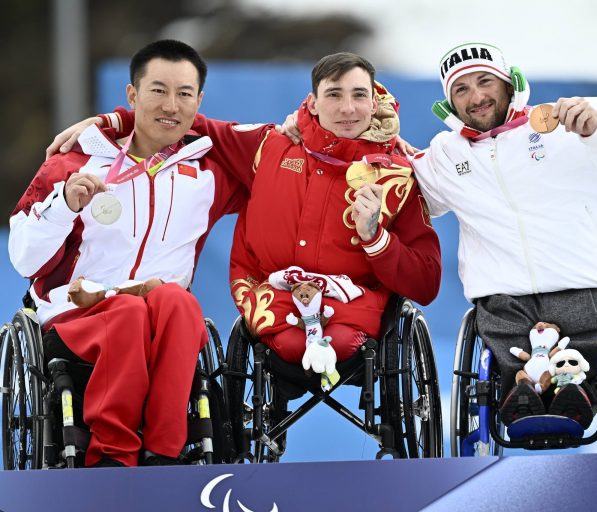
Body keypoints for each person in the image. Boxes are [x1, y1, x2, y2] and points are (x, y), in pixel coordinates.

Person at [54, 53, 441, 391]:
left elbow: (425, 282)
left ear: (374, 103)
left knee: (334, 340)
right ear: (312, 102)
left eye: (358, 96)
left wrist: (376, 239)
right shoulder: (268, 145)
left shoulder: (398, 174)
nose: (347, 108)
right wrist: (114, 120)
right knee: (288, 344)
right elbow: (186, 121)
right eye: (334, 95)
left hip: (354, 308)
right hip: (272, 301)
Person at [412, 42, 597, 428]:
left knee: (586, 345)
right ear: (450, 103)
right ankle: (522, 393)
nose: (476, 97)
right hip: (505, 300)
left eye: (485, 82)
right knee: (505, 347)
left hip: (587, 286)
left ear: (510, 83)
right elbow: (400, 190)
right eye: (461, 89)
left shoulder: (568, 124)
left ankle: (574, 393)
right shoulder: (445, 155)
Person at [8, 40, 255, 467]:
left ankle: (164, 453)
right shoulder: (75, 163)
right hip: (78, 315)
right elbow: (25, 259)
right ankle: (112, 456)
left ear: (199, 102)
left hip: (162, 315)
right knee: (128, 312)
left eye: (184, 93)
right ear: (132, 94)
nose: (171, 105)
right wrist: (64, 205)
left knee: (180, 304)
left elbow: (290, 157)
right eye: (158, 90)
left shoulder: (210, 171)